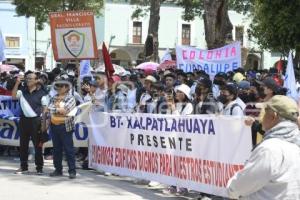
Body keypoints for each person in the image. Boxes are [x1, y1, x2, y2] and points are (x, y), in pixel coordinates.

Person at [227, 95, 300, 199]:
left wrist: (230, 186)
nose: (262, 116)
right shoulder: (296, 144)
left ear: (273, 116)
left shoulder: (269, 149)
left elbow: (239, 187)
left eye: (265, 111)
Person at [12, 71, 48, 174]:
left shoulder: (43, 94)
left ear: (36, 80)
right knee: (23, 145)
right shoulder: (22, 91)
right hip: (24, 120)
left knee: (38, 146)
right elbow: (13, 96)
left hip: (36, 122)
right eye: (27, 78)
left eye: (30, 78)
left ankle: (39, 168)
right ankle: (23, 167)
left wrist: (44, 126)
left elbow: (45, 110)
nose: (28, 80)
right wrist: (17, 83)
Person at [47, 75, 77, 179]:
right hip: (54, 126)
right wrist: (57, 110)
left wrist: (54, 109)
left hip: (65, 127)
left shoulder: (71, 98)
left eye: (61, 86)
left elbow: (65, 111)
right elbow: (48, 109)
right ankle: (58, 170)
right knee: (56, 150)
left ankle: (72, 171)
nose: (58, 88)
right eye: (57, 86)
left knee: (69, 150)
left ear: (67, 87)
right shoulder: (54, 97)